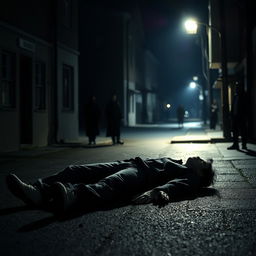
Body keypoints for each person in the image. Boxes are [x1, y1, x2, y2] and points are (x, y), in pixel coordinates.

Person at [6, 156, 215, 215]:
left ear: (200, 172)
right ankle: (38, 191)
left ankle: (72, 197)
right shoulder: (182, 165)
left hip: (140, 174)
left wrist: (157, 192)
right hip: (131, 163)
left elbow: (178, 186)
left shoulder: (191, 177)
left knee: (109, 184)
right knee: (76, 170)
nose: (197, 157)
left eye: (202, 161)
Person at [227, 81, 248, 150]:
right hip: (235, 116)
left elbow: (246, 107)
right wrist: (231, 114)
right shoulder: (235, 96)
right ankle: (235, 144)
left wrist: (245, 116)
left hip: (241, 116)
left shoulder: (244, 96)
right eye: (236, 87)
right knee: (234, 131)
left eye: (237, 87)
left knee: (243, 131)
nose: (236, 88)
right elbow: (233, 106)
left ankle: (244, 144)